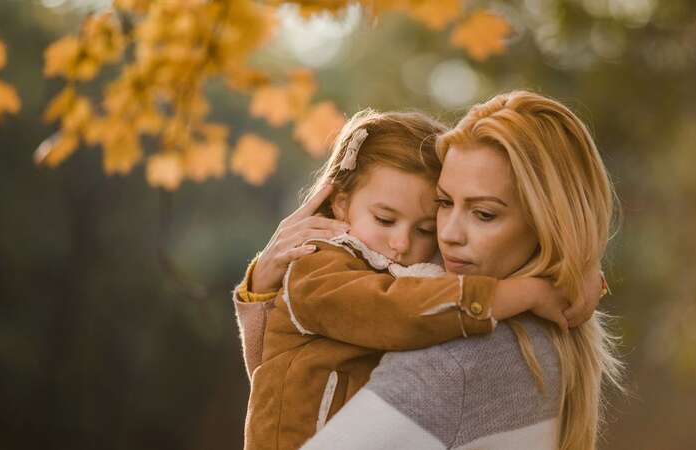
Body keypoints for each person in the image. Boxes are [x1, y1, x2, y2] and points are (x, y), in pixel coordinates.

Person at [236, 109, 593, 450]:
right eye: (447, 204)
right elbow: (395, 308)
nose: (403, 243)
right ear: (341, 205)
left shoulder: (461, 348)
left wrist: (579, 272)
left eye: (425, 227)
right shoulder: (322, 265)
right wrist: (531, 289)